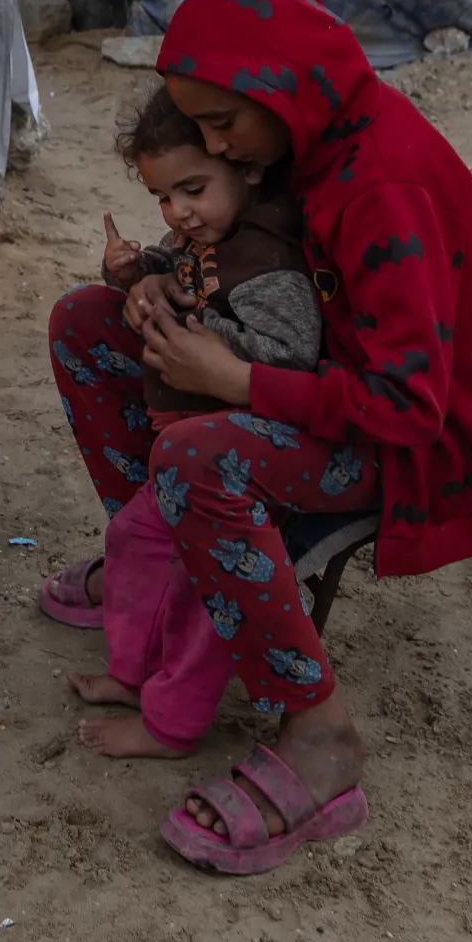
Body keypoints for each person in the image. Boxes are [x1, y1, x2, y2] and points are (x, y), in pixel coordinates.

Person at [44, 0, 472, 874]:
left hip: (418, 455)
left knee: (200, 460)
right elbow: (255, 278)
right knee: (87, 324)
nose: (216, 150)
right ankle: (156, 567)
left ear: (284, 89)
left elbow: (409, 410)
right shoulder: (305, 142)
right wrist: (159, 289)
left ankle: (320, 733)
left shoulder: (382, 184)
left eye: (223, 126)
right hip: (304, 382)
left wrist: (236, 384)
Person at [58, 87, 323, 760]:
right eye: (164, 199)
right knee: (136, 541)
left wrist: (206, 338)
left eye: (193, 190)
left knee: (199, 587)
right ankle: (133, 672)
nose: (179, 213)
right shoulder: (206, 235)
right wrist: (133, 272)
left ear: (249, 167)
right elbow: (181, 276)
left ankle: (172, 722)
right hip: (183, 456)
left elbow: (291, 356)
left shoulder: (267, 262)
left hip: (239, 462)